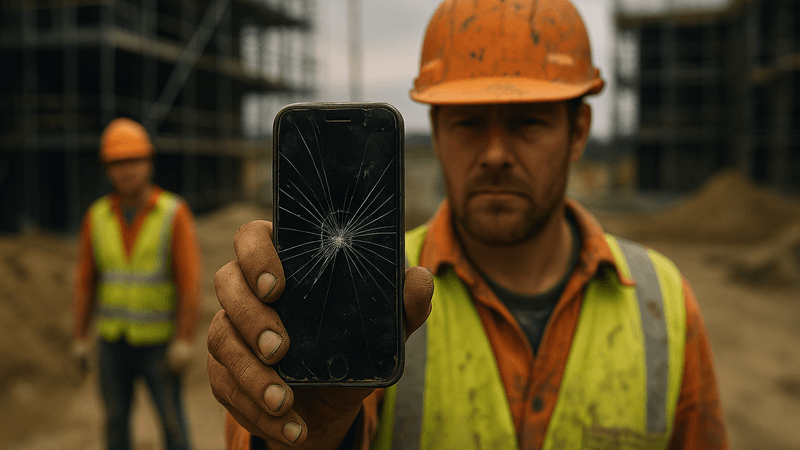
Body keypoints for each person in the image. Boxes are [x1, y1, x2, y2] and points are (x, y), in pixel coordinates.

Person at [206, 0, 730, 448]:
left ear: (579, 131)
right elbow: (298, 429)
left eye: (529, 121)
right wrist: (305, 432)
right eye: (469, 122)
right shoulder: (380, 292)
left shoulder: (664, 306)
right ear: (436, 132)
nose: (496, 153)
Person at [72, 117, 202, 450]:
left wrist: (185, 339)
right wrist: (80, 336)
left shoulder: (174, 213)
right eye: (116, 163)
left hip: (160, 345)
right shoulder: (96, 216)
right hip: (112, 344)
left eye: (132, 160)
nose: (125, 169)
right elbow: (86, 282)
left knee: (173, 425)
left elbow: (190, 283)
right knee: (115, 425)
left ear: (148, 162)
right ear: (106, 168)